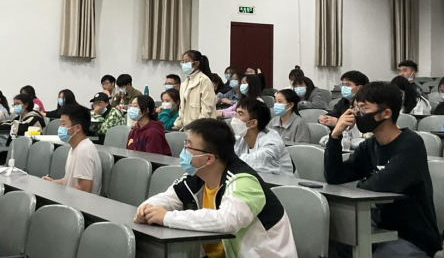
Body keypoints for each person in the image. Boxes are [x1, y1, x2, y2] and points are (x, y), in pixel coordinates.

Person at [134, 119, 298, 257]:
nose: (184, 151)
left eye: (189, 147)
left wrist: (167, 217)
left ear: (209, 159)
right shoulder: (196, 177)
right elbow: (167, 198)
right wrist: (147, 209)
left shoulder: (244, 181)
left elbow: (226, 221)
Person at [325, 82, 441, 258]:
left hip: (412, 236)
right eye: (356, 108)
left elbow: (379, 185)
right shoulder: (370, 145)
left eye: (364, 108)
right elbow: (335, 176)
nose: (357, 114)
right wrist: (335, 136)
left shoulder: (411, 144)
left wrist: (362, 184)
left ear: (386, 113)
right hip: (378, 229)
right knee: (333, 243)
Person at [42, 105, 102, 195]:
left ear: (77, 128)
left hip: (79, 202)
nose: (60, 127)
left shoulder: (84, 150)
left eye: (63, 124)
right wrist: (52, 182)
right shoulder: (76, 147)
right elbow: (68, 181)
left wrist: (60, 194)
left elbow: (85, 189)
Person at [232, 99, 294, 176]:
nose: (235, 117)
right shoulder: (240, 138)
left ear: (253, 123)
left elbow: (254, 162)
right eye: (236, 113)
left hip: (280, 182)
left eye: (240, 114)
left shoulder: (272, 142)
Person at [174, 50, 217, 129]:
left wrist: (197, 126)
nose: (184, 64)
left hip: (202, 127)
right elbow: (182, 107)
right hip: (187, 126)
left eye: (186, 61)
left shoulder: (204, 80)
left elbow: (207, 108)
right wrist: (178, 124)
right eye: (183, 62)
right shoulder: (185, 83)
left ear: (196, 63)